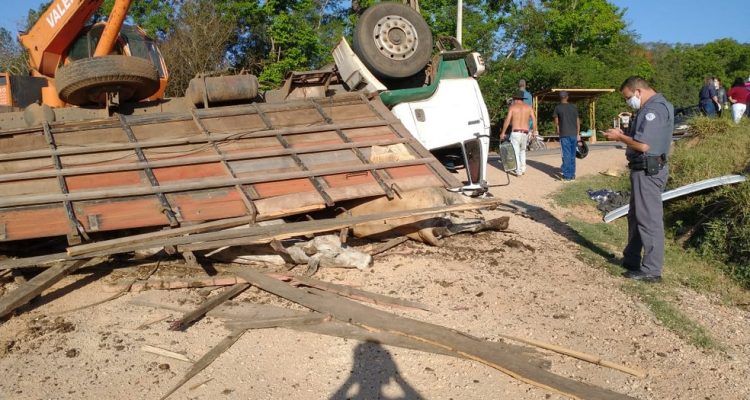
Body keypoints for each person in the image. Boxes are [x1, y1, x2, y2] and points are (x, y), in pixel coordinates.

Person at [604, 76, 673, 282]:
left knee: (648, 220)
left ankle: (652, 270)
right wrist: (625, 133)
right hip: (643, 170)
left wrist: (619, 137)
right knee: (636, 215)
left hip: (648, 171)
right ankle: (631, 258)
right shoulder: (652, 107)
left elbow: (644, 145)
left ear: (638, 92)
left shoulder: (654, 110)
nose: (628, 102)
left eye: (628, 98)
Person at [500, 91, 537, 176]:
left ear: (515, 99)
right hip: (525, 132)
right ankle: (523, 168)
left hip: (516, 132)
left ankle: (518, 170)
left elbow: (507, 120)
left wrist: (503, 132)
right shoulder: (528, 107)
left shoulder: (513, 107)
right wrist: (534, 131)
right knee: (523, 150)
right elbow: (534, 119)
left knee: (515, 151)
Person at [553, 91, 581, 181]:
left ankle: (567, 176)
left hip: (564, 134)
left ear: (560, 98)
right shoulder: (573, 107)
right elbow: (577, 121)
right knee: (573, 155)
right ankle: (572, 174)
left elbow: (556, 123)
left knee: (566, 155)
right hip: (573, 134)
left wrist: (557, 130)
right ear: (567, 97)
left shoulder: (557, 108)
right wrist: (578, 133)